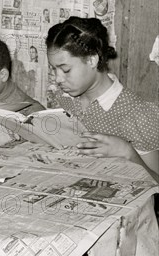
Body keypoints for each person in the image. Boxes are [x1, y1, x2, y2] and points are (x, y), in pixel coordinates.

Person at [46, 17, 159, 181]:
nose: (57, 79)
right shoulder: (64, 98)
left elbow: (157, 184)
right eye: (53, 69)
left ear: (92, 60)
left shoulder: (138, 114)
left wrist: (127, 152)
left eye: (66, 70)